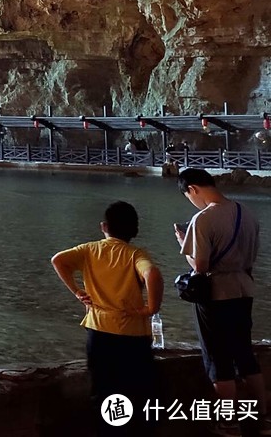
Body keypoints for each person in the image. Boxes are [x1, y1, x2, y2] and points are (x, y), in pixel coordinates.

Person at [52, 201, 163, 434]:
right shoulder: (136, 254)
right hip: (132, 335)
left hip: (99, 331)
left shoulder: (89, 250)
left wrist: (77, 292)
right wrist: (150, 309)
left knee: (104, 390)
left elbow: (58, 260)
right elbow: (152, 273)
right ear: (135, 230)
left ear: (104, 226)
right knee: (139, 390)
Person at [175, 168, 265, 433]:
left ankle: (229, 422)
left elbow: (200, 266)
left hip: (215, 294)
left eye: (188, 195)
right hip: (243, 289)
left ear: (192, 189)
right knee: (245, 354)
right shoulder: (247, 213)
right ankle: (260, 417)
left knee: (218, 359)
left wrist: (184, 244)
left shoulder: (203, 219)